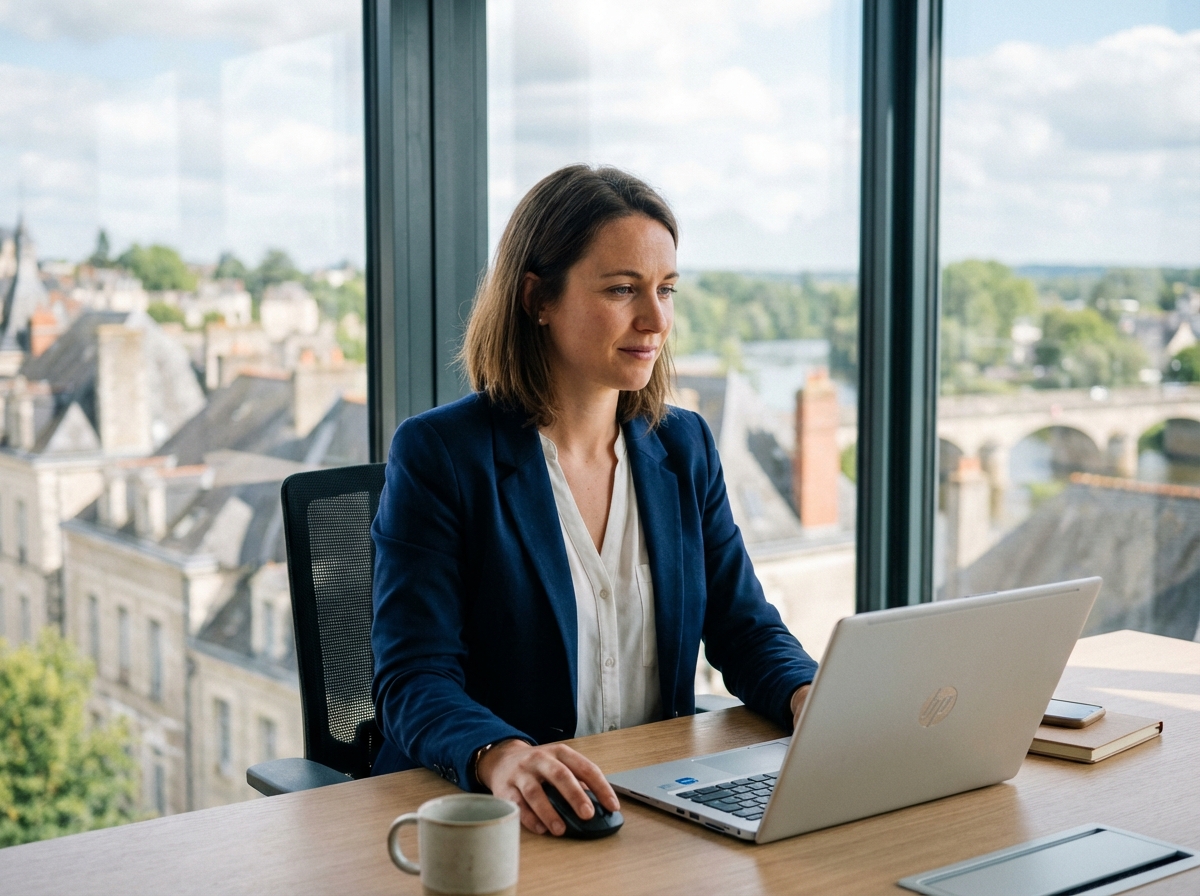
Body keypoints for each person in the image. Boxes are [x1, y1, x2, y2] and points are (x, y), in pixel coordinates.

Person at [370, 164, 818, 837]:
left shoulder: (683, 446)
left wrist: (809, 694)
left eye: (666, 290)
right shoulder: (441, 456)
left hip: (650, 802)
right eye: (621, 289)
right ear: (537, 298)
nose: (655, 319)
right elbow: (414, 677)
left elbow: (745, 629)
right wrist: (503, 756)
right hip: (495, 820)